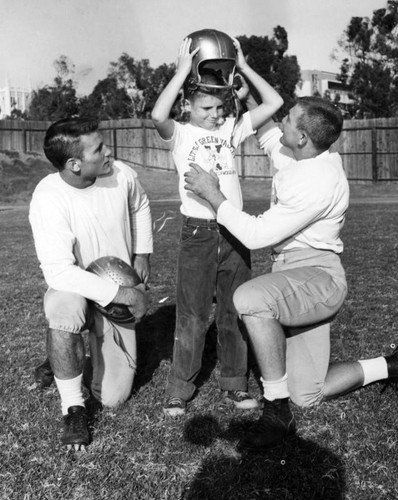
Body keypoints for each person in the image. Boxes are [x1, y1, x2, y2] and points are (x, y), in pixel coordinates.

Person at [184, 95, 398, 451]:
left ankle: (276, 409)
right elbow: (269, 133)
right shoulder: (304, 154)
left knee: (250, 298)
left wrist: (212, 194)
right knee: (308, 393)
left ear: (301, 138)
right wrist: (245, 82)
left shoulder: (318, 179)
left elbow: (254, 235)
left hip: (318, 277)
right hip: (296, 277)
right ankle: (390, 366)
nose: (280, 120)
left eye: (288, 119)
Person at [151, 34, 284, 416]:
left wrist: (242, 67)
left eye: (219, 106)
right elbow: (158, 116)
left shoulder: (232, 129)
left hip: (235, 231)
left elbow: (274, 103)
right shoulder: (181, 134)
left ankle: (234, 382)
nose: (214, 114)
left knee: (234, 309)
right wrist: (180, 72)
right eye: (205, 106)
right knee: (192, 314)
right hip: (197, 232)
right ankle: (180, 386)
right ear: (187, 104)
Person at [29, 118, 153, 451]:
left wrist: (142, 253)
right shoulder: (48, 196)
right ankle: (73, 406)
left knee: (113, 398)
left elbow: (139, 205)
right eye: (98, 148)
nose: (109, 151)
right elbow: (58, 273)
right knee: (62, 307)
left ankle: (60, 360)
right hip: (78, 287)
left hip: (115, 288)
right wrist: (127, 294)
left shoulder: (120, 174)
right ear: (74, 164)